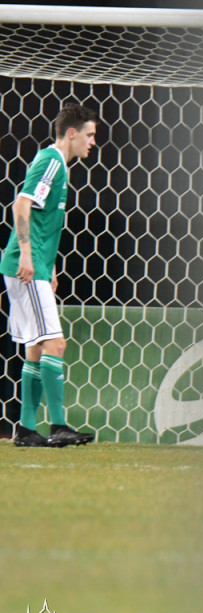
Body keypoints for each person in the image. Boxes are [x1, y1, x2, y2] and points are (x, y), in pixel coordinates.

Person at [1, 102, 99, 447]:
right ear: (71, 133)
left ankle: (26, 430)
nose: (92, 142)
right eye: (89, 135)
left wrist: (50, 265)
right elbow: (21, 204)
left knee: (36, 348)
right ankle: (58, 426)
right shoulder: (51, 161)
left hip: (35, 266)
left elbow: (44, 222)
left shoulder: (60, 166)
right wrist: (28, 256)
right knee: (55, 342)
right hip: (26, 267)